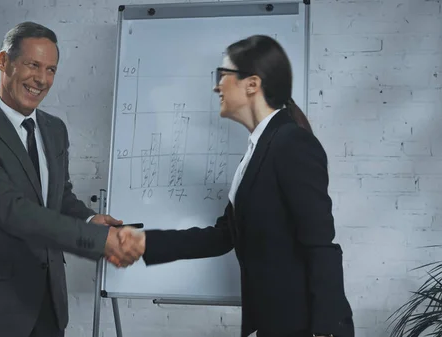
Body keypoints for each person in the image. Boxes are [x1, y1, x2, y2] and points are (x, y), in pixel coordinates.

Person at [129, 35, 355, 337]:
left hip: (305, 328)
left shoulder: (291, 143)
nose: (216, 86)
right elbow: (223, 237)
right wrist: (144, 242)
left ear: (252, 84)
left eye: (223, 76)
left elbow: (320, 244)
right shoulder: (259, 148)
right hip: (275, 325)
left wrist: (325, 331)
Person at [0, 22, 145, 337]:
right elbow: (14, 213)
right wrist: (100, 241)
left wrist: (89, 218)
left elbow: (58, 197)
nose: (42, 79)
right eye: (33, 65)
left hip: (48, 305)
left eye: (51, 70)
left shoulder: (54, 129)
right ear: (4, 61)